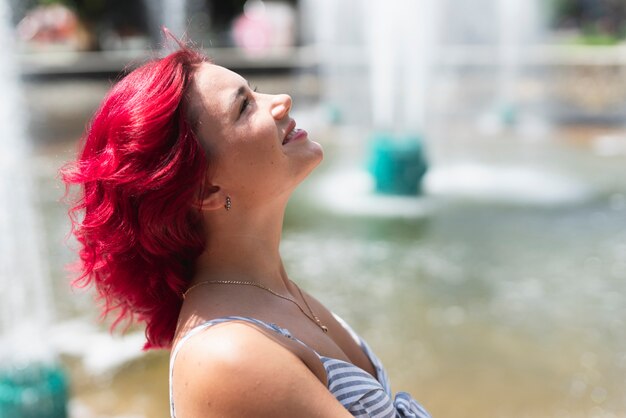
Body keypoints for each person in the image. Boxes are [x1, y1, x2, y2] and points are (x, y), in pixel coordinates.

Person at [61, 38, 431, 418]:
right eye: (244, 107)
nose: (281, 99)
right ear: (204, 189)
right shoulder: (227, 355)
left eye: (253, 90)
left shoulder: (270, 290)